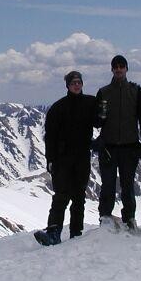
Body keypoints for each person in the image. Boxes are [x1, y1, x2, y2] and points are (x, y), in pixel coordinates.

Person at [35, 71, 99, 246]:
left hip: (82, 156)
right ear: (68, 86)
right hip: (62, 158)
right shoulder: (58, 108)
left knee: (79, 196)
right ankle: (54, 232)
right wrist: (50, 159)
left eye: (78, 82)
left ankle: (75, 233)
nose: (76, 85)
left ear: (82, 84)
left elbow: (99, 122)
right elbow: (50, 136)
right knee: (61, 195)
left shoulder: (90, 103)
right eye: (73, 83)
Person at [95, 54, 141, 230]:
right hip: (109, 147)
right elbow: (96, 121)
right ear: (112, 69)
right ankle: (105, 217)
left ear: (127, 69)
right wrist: (100, 118)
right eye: (116, 67)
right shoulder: (104, 92)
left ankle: (129, 218)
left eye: (122, 66)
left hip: (129, 147)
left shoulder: (135, 91)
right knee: (108, 185)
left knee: (127, 185)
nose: (119, 69)